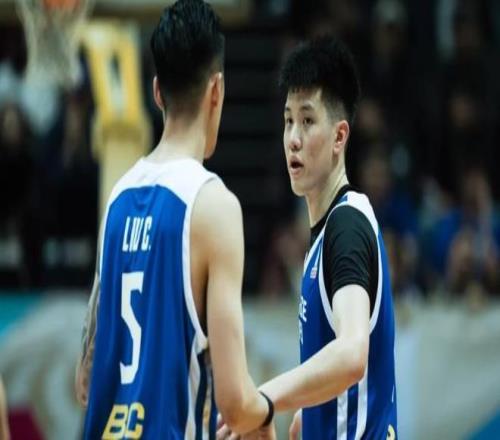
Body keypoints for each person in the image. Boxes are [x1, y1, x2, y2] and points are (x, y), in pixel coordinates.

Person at [75, 1, 275, 438]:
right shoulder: (215, 206)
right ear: (217, 90)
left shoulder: (118, 199)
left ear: (156, 92)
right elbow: (235, 403)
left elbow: (85, 379)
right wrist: (267, 412)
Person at [224, 35, 398, 440]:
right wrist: (312, 409)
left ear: (339, 137)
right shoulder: (325, 235)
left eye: (307, 120)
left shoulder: (346, 226)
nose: (293, 138)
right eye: (288, 121)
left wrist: (265, 397)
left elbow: (352, 353)